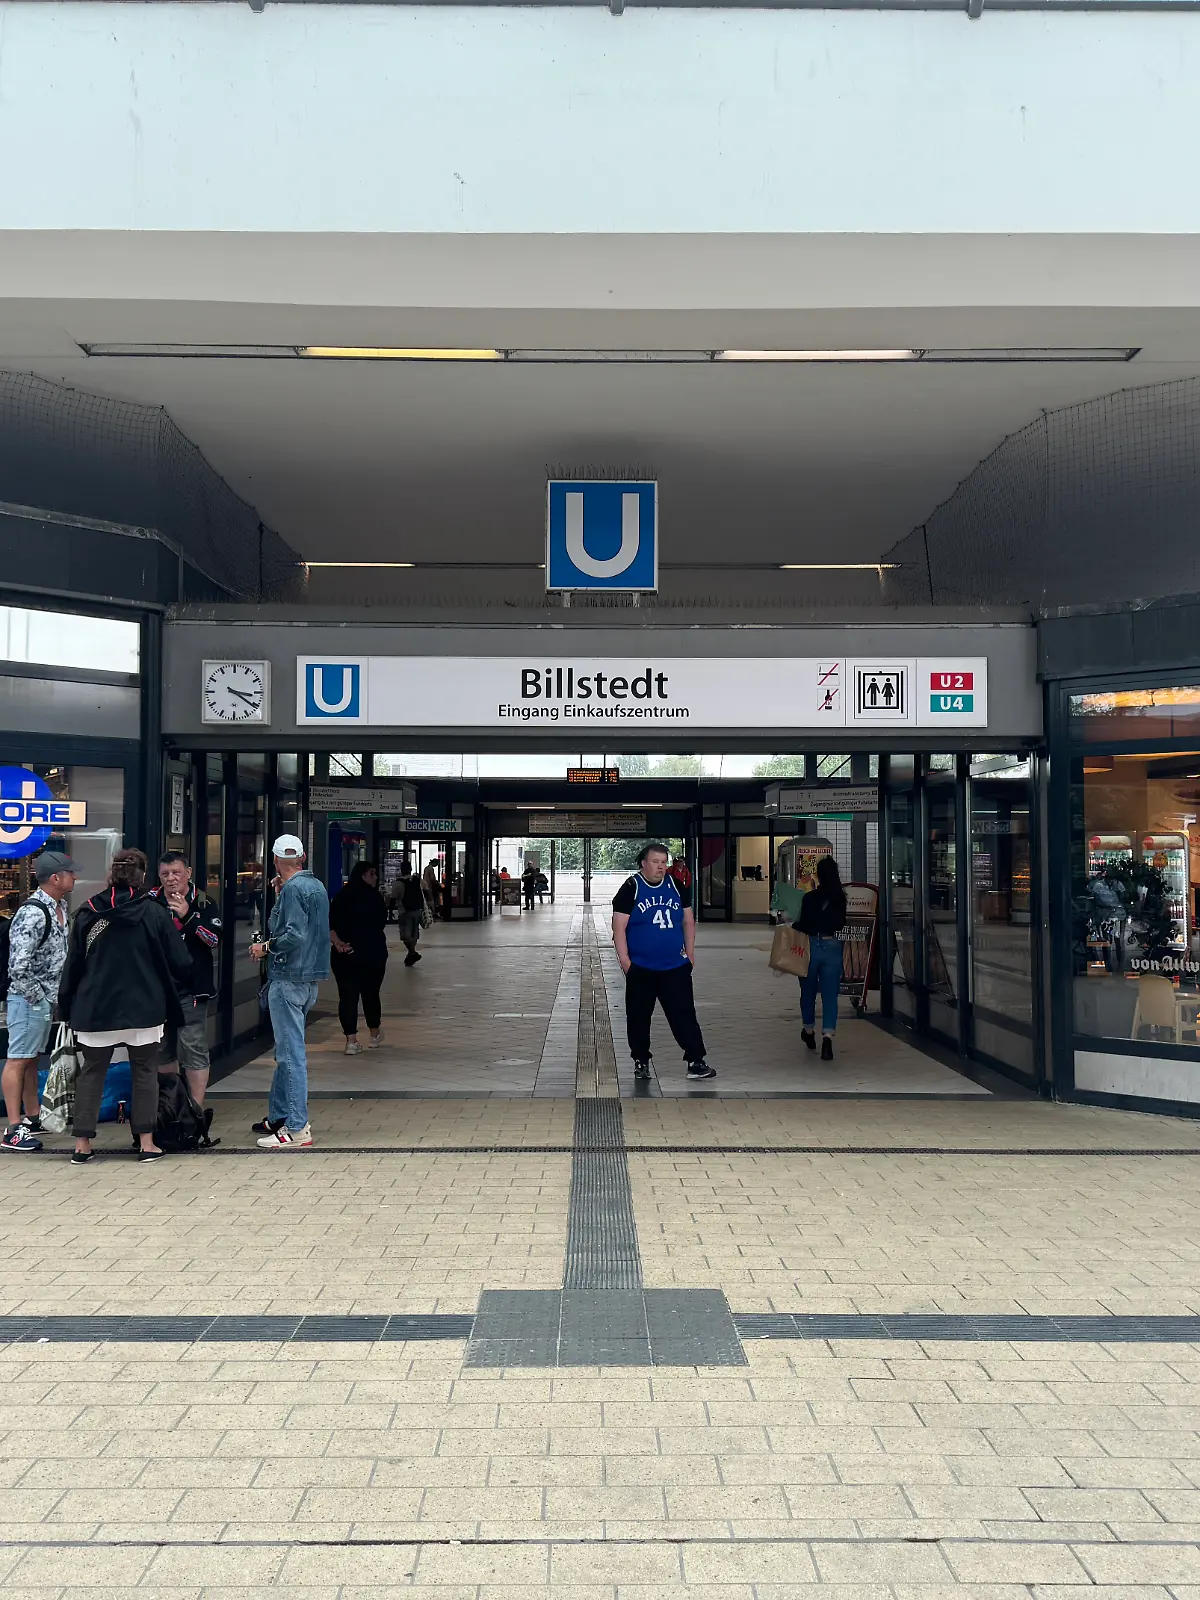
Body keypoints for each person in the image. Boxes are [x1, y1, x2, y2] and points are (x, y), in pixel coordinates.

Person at [58, 848, 194, 1165]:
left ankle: (82, 1144)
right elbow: (181, 961)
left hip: (95, 1007)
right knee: (145, 1073)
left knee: (92, 1073)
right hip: (145, 1007)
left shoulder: (88, 912)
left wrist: (66, 1007)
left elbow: (73, 965)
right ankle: (147, 1143)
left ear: (112, 874)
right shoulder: (154, 912)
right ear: (143, 876)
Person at [249, 835, 330, 1149]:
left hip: (287, 979)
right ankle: (279, 1114)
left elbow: (290, 934)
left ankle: (297, 1128)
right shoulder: (316, 887)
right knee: (289, 1051)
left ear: (274, 860)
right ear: (303, 857)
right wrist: (280, 894)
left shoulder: (294, 890)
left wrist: (263, 948)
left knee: (290, 1055)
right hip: (309, 980)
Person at [612, 842, 714, 1083]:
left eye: (663, 862)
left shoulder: (676, 886)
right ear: (643, 863)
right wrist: (626, 963)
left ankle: (695, 1060)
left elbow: (688, 921)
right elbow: (619, 927)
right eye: (656, 862)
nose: (661, 866)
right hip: (642, 968)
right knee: (638, 1017)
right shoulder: (631, 888)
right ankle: (641, 1060)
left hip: (674, 967)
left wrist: (690, 954)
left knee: (684, 1014)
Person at [1, 850, 77, 1153]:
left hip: (42, 1000)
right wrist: (39, 998)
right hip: (28, 1000)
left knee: (31, 1059)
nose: (75, 877)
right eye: (71, 872)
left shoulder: (59, 906)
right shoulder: (33, 912)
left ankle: (32, 1117)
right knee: (18, 1059)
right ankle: (12, 1128)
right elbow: (17, 966)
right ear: (55, 877)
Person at [149, 851, 222, 1114]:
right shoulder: (150, 902)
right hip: (158, 990)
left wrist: (188, 916)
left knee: (194, 1049)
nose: (171, 879)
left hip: (192, 989)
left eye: (176, 873)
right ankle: (170, 1106)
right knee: (162, 1051)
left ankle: (195, 1111)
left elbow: (214, 940)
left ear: (188, 874)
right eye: (165, 874)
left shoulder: (203, 902)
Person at [329, 860, 388, 1055]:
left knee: (347, 996)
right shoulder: (375, 897)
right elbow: (381, 923)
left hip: (345, 955)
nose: (375, 877)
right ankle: (374, 1035)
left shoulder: (341, 897)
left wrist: (339, 944)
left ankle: (351, 1041)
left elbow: (330, 924)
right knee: (371, 993)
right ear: (363, 875)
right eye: (372, 873)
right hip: (372, 954)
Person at [795, 854, 847, 1061]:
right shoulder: (840, 899)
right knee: (829, 995)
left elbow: (803, 925)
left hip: (810, 948)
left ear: (818, 875)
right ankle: (827, 1037)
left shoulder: (809, 898)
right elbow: (840, 925)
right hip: (832, 947)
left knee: (807, 991)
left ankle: (808, 1030)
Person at [394, 859, 426, 967]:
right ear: (411, 869)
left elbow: (393, 898)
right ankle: (411, 955)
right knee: (414, 933)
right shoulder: (417, 881)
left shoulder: (398, 883)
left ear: (401, 870)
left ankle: (412, 952)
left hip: (404, 912)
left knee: (405, 935)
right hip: (417, 911)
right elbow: (425, 890)